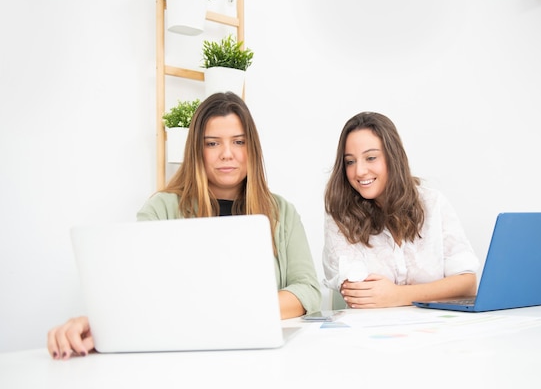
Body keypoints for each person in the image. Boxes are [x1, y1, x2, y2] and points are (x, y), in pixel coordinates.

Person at [48, 92, 322, 360]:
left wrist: (229, 310)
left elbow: (307, 289)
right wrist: (98, 323)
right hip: (181, 358)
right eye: (212, 143)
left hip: (263, 356)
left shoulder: (282, 212)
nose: (227, 154)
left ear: (252, 147)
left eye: (238, 141)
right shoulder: (162, 209)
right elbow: (136, 291)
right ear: (196, 150)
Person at [323, 111, 479, 309]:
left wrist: (399, 295)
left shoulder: (432, 203)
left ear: (393, 157)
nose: (359, 171)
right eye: (350, 162)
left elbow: (467, 284)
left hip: (436, 329)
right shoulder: (340, 216)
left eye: (370, 158)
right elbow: (360, 295)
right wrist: (434, 291)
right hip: (373, 332)